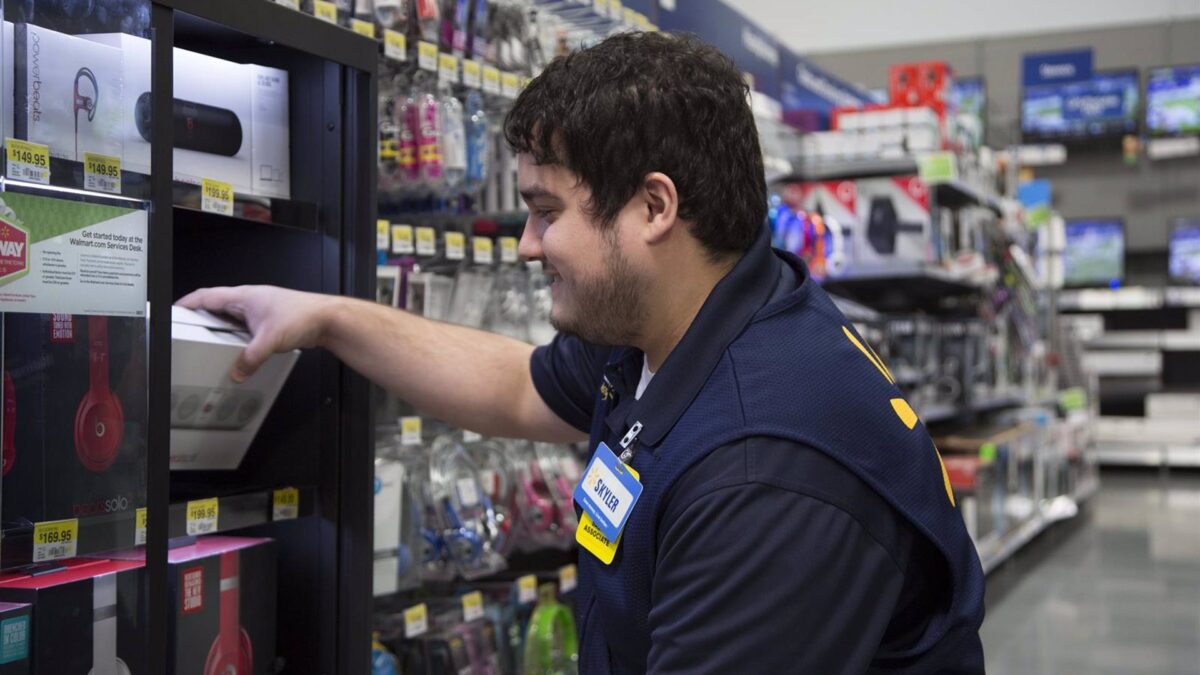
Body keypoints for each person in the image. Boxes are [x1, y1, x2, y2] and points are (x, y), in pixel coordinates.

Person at [181, 32, 985, 674]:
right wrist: (322, 315)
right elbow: (512, 385)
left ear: (653, 206)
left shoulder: (764, 473)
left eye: (545, 210)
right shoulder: (677, 324)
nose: (527, 244)